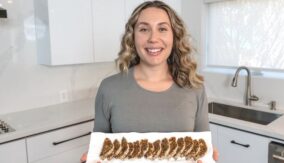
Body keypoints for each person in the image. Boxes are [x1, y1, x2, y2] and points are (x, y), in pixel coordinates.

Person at [81, 1, 218, 162]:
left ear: (174, 36)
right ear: (132, 37)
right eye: (144, 29)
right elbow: (100, 149)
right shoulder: (109, 88)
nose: (153, 38)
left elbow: (202, 150)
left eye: (162, 29)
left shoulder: (194, 88)